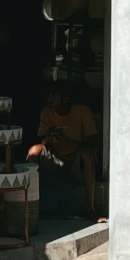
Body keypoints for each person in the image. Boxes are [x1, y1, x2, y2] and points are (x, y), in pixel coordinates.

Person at [26, 81, 102, 221]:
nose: (49, 100)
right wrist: (48, 138)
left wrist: (72, 143)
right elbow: (39, 141)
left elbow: (93, 142)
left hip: (75, 161)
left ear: (64, 99)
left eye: (52, 96)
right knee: (34, 151)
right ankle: (28, 204)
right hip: (54, 160)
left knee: (88, 155)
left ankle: (90, 208)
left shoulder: (82, 111)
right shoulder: (47, 112)